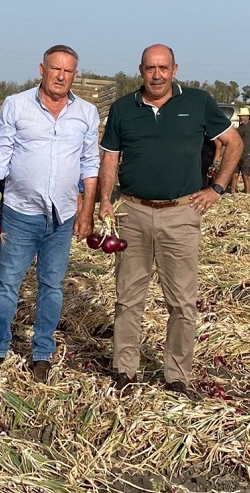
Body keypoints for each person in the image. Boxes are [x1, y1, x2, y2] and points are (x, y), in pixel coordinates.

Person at [97, 44, 241, 400]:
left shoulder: (198, 102)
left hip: (181, 213)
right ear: (140, 70)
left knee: (181, 300)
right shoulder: (122, 109)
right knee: (128, 297)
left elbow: (234, 143)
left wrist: (217, 188)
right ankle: (124, 369)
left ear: (174, 69)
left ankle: (176, 375)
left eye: (163, 68)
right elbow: (110, 158)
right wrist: (104, 200)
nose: (157, 74)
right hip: (133, 211)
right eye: (150, 68)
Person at [0, 45, 100, 384]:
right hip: (20, 211)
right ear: (41, 69)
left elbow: (90, 164)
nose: (61, 76)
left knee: (51, 285)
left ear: (75, 75)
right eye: (55, 69)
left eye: (68, 71)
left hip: (62, 217)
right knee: (7, 283)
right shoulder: (17, 105)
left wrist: (86, 210)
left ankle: (42, 353)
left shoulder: (86, 113)